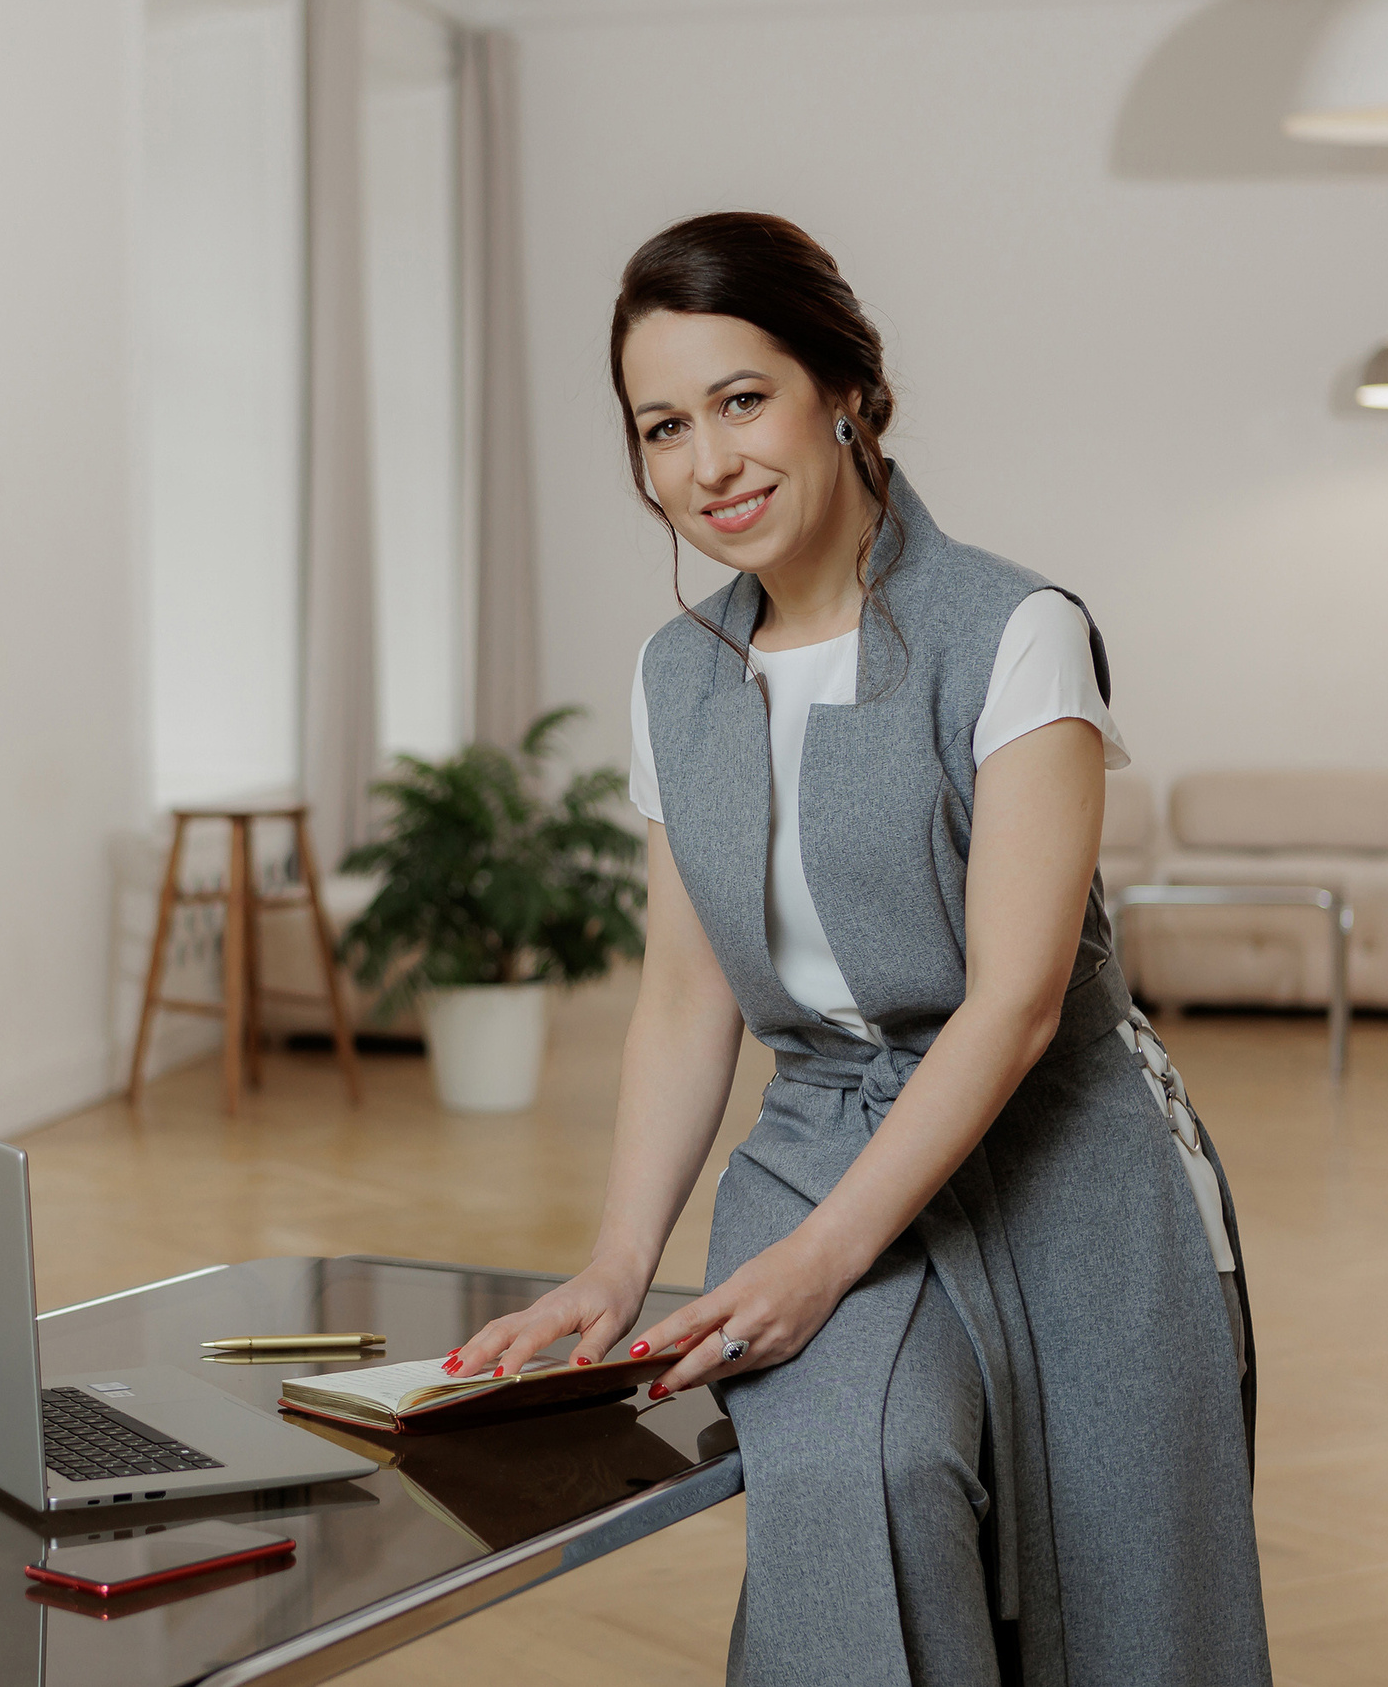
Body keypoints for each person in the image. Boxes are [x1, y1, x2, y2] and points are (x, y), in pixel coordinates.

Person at [448, 213, 1269, 1684]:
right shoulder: (674, 678)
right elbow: (685, 994)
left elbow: (1015, 1007)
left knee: (1130, 1586)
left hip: (1061, 1158)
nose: (710, 461)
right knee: (854, 1485)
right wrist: (616, 1261)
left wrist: (823, 1264)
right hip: (815, 1142)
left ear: (844, 390)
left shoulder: (1013, 630)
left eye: (741, 398)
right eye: (662, 425)